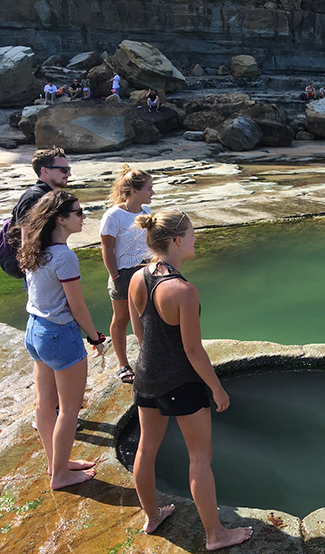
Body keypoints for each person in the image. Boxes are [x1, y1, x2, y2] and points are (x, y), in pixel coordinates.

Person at [128, 211, 253, 549]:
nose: (196, 239)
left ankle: (152, 516)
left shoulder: (138, 278)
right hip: (181, 383)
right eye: (192, 234)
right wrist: (217, 388)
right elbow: (194, 351)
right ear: (177, 240)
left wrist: (152, 364)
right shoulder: (184, 290)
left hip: (146, 377)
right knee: (200, 457)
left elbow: (139, 331)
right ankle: (215, 535)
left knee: (146, 448)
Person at [18, 191, 106, 489]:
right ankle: (60, 475)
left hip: (35, 330)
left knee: (45, 405)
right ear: (61, 219)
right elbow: (77, 307)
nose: (84, 217)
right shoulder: (65, 256)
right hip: (59, 334)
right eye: (78, 213)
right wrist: (95, 337)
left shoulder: (35, 247)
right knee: (69, 409)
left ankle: (57, 462)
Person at [99, 165, 154, 384]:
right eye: (149, 188)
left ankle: (148, 359)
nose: (153, 193)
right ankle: (123, 364)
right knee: (121, 319)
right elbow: (106, 249)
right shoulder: (114, 216)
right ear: (134, 191)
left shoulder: (146, 212)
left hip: (145, 273)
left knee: (146, 316)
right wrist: (115, 276)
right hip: (123, 274)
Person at [1, 147, 71, 278]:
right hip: (37, 269)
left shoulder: (47, 195)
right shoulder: (34, 197)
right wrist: (32, 272)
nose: (68, 174)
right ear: (45, 170)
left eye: (68, 169)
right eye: (64, 170)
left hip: (44, 265)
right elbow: (26, 235)